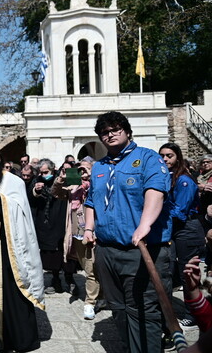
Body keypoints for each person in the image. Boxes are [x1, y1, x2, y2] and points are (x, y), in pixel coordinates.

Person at [84, 111, 172, 352]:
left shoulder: (148, 158)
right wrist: (89, 228)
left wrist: (145, 224)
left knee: (143, 310)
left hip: (141, 249)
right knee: (119, 308)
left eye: (115, 129)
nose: (109, 134)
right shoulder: (98, 167)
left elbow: (155, 191)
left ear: (127, 131)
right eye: (104, 132)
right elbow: (91, 201)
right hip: (106, 251)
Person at [0, 144, 44, 352]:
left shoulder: (12, 181)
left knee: (13, 291)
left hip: (8, 247)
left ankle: (20, 339)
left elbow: (20, 211)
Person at [159, 142, 205, 329]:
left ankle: (193, 315)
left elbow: (180, 211)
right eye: (162, 155)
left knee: (187, 273)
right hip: (176, 229)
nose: (165, 159)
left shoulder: (184, 180)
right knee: (173, 270)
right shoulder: (169, 178)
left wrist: (158, 210)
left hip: (188, 228)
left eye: (169, 155)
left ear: (177, 156)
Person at [52, 158, 101, 320]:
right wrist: (62, 178)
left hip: (94, 233)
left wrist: (91, 178)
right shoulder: (73, 185)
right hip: (76, 234)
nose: (83, 172)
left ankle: (90, 302)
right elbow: (56, 193)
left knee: (92, 269)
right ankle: (100, 296)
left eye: (86, 169)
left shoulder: (97, 183)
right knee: (88, 267)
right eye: (80, 168)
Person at [29, 158, 69, 294]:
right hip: (44, 221)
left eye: (46, 172)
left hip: (59, 218)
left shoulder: (61, 178)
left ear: (53, 169)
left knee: (60, 250)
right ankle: (54, 277)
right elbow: (31, 197)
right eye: (41, 172)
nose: (44, 175)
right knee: (47, 252)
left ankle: (67, 278)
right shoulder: (37, 180)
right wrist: (36, 190)